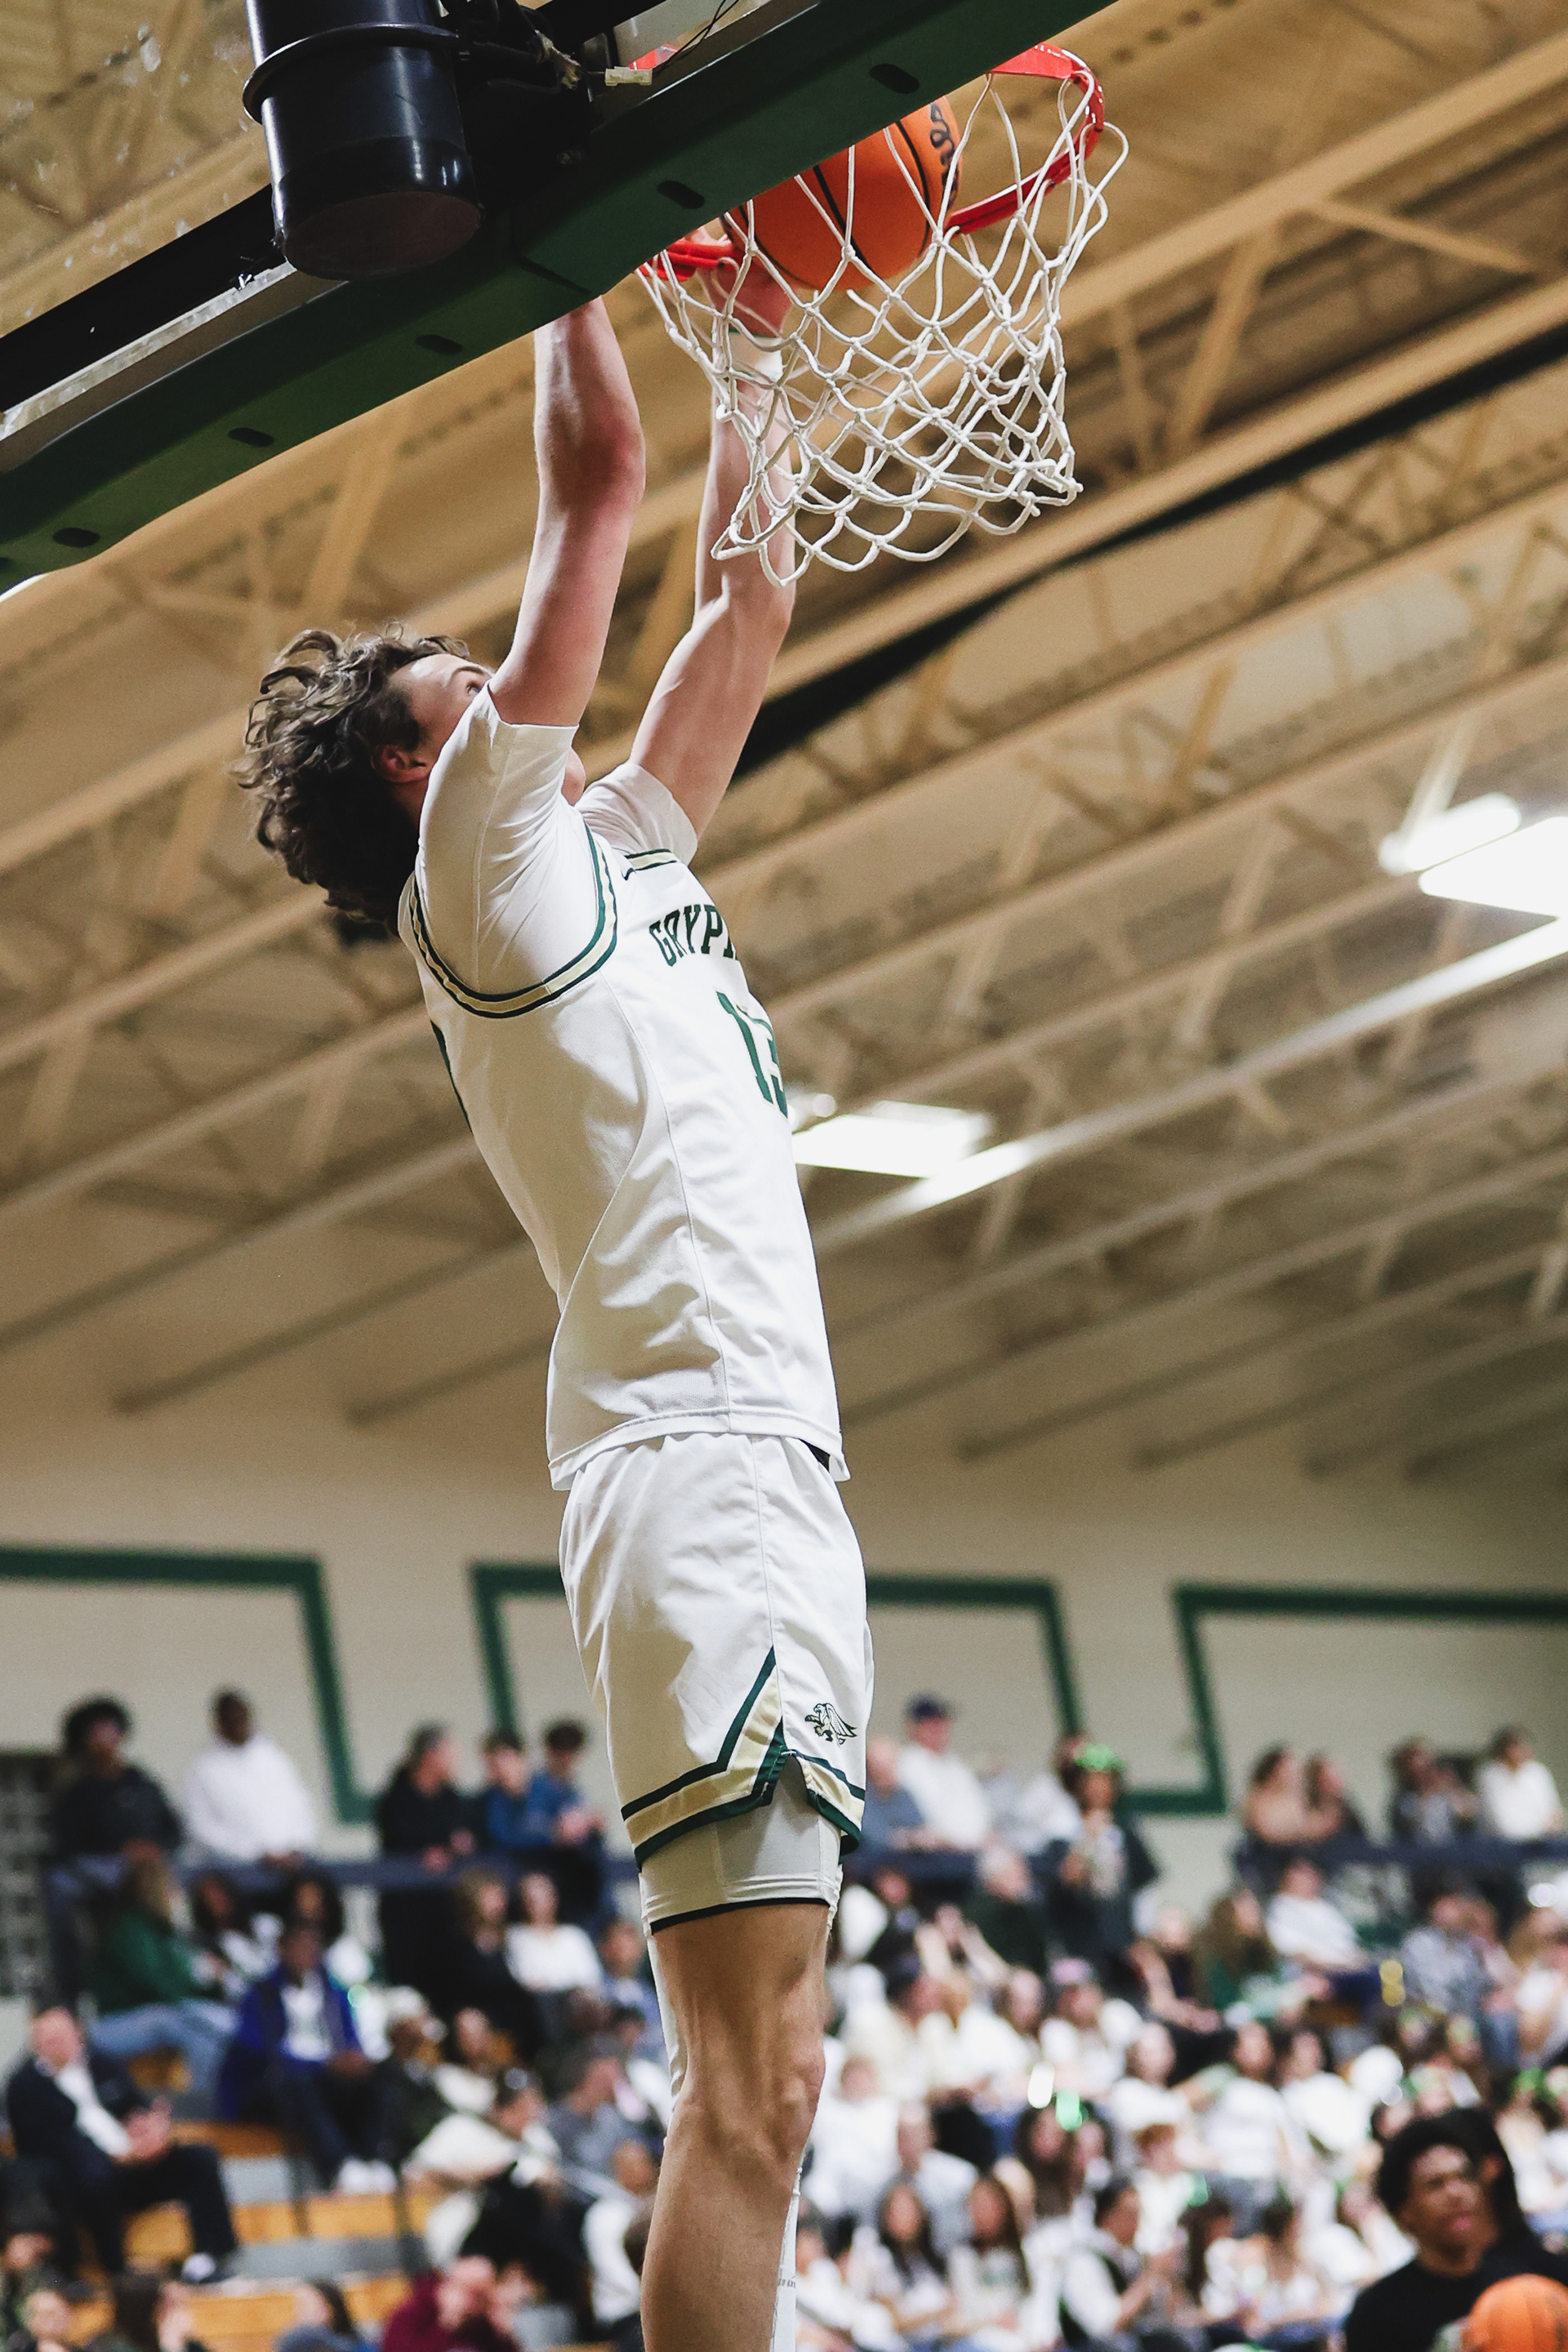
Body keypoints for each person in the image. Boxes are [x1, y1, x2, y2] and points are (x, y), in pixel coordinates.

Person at [239, 285, 872, 2352]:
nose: (531, 695)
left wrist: (767, 344)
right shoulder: (482, 871)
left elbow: (748, 603)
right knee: (751, 2094)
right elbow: (598, 483)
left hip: (761, 1463)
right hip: (696, 1466)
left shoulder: (604, 852)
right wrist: (581, 255)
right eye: (482, 685)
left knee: (772, 2086)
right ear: (432, 765)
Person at [6, 2008, 236, 2282]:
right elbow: (50, 2147)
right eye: (48, 2039)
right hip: (79, 2185)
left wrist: (154, 2130)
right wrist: (117, 2156)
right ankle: (115, 2271)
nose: (57, 2044)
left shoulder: (103, 2065)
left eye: (62, 2035)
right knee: (94, 2175)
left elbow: (136, 2107)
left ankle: (205, 2259)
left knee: (200, 2158)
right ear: (35, 2045)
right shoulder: (24, 2087)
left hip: (132, 2166)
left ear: (78, 2034)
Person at [1344, 2111, 1568, 2352]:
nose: (1456, 2193)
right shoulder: (1377, 2313)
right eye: (1435, 2184)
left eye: (1464, 2177)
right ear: (1404, 2210)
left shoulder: (1527, 2282)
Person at [218, 1921, 395, 2191]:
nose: (307, 1952)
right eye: (300, 1944)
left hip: (325, 2080)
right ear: (282, 1949)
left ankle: (375, 2160)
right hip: (272, 2085)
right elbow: (259, 2051)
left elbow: (350, 2044)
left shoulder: (335, 1996)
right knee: (296, 2081)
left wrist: (354, 2062)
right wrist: (322, 2065)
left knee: (381, 2076)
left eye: (314, 1945)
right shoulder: (260, 1995)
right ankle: (340, 2166)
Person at [46, 1699, 181, 2006]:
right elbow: (69, 1846)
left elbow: (173, 1830)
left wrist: (154, 1848)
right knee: (58, 1884)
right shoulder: (80, 1790)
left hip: (155, 1863)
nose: (106, 1739)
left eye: (111, 1730)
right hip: (104, 1868)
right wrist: (121, 1852)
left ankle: (181, 1957)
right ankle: (68, 1984)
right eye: (97, 1732)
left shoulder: (142, 1781)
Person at [85, 1855, 236, 2109]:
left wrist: (207, 1978)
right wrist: (198, 1976)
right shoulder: (130, 1930)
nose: (176, 1895)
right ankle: (201, 2106)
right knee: (182, 2022)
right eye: (170, 1887)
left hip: (152, 2016)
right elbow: (163, 1988)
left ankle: (215, 2100)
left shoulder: (164, 1932)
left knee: (209, 2030)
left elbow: (179, 1986)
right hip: (113, 2025)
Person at [1040, 1750, 1158, 1989]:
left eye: (1106, 1781)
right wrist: (1088, 1841)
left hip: (1122, 1946)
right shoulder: (1062, 1832)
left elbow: (1143, 1887)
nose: (1099, 1788)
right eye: (1092, 1781)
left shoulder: (1126, 1832)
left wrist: (1144, 1936)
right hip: (1080, 1943)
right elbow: (1061, 1886)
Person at [375, 1726, 476, 1998]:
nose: (454, 1761)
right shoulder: (395, 1799)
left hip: (445, 1916)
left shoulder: (453, 1800)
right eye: (448, 1754)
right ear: (430, 1756)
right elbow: (398, 1840)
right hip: (406, 1918)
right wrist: (423, 1854)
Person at [182, 1690, 318, 1865]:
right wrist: (254, 1852)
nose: (239, 1725)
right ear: (219, 1723)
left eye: (241, 1718)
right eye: (231, 1720)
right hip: (237, 1868)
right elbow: (201, 1826)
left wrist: (295, 1848)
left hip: (292, 1863)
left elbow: (301, 1806)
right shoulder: (203, 1769)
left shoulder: (274, 1758)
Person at [1058, 2176, 1182, 2347]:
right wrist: (1149, 2275)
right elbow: (1106, 2325)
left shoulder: (1128, 2258)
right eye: (1131, 2214)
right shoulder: (1084, 2262)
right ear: (1108, 2215)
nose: (1137, 2224)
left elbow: (1166, 2317)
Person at [438, 1873, 546, 2057]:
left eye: (500, 1896)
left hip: (516, 2019)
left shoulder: (511, 1940)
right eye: (491, 1897)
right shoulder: (455, 1946)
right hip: (476, 2016)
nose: (499, 1903)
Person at [518, 1721, 606, 1923]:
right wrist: (557, 1831)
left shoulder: (573, 1790)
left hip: (579, 1876)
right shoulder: (536, 1788)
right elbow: (529, 1828)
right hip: (552, 1873)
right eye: (562, 1751)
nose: (568, 1759)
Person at [896, 1698, 991, 1853]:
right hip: (938, 1852)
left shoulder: (955, 1765)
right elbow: (927, 1816)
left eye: (942, 1723)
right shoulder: (908, 1764)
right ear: (914, 1727)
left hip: (976, 1848)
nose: (940, 1729)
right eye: (932, 1724)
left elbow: (978, 1808)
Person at [505, 1872, 603, 1998]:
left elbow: (592, 1978)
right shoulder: (515, 1936)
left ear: (554, 1898)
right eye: (530, 1898)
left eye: (542, 1897)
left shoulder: (574, 1935)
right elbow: (527, 1980)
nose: (536, 1903)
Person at [1478, 1729, 1564, 1841]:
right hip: (1506, 1844)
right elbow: (1502, 1824)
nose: (1525, 1751)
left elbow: (1554, 1811)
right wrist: (1538, 1830)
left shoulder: (1538, 1771)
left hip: (1544, 1841)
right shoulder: (1490, 1775)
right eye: (1517, 1747)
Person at [858, 1740, 929, 1854]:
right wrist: (899, 1838)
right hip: (873, 1859)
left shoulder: (903, 1795)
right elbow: (870, 1834)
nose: (882, 1772)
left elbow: (920, 1827)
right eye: (878, 1767)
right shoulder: (861, 1797)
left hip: (909, 1857)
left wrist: (917, 1838)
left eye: (887, 1765)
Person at [275, 2281, 368, 2352]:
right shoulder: (299, 2342)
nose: (297, 2311)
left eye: (304, 2304)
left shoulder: (358, 2344)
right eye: (297, 2305)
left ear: (330, 2307)